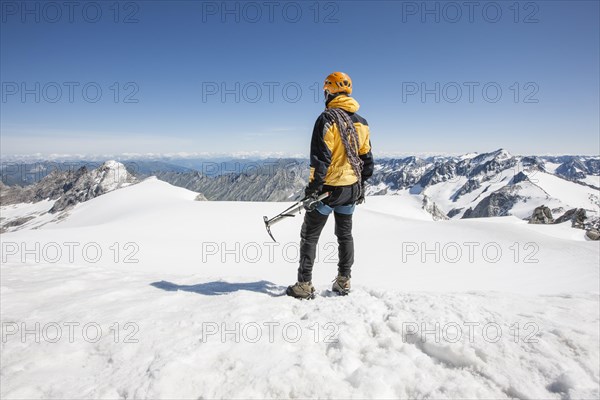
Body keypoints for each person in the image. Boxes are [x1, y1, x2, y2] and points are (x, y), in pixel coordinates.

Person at [286, 72, 374, 299]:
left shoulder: (327, 119)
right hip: (351, 189)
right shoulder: (362, 123)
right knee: (345, 235)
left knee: (310, 235)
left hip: (329, 190)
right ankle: (344, 281)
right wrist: (360, 186)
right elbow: (367, 160)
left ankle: (304, 285)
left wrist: (312, 191)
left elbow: (320, 159)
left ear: (329, 92)